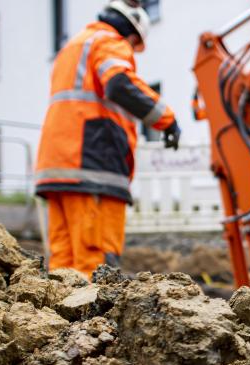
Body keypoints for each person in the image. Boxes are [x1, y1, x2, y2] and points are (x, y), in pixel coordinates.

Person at [35, 0, 180, 278]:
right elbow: (118, 83)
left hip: (57, 168)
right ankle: (93, 323)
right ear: (130, 28)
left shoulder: (72, 48)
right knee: (96, 264)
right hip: (93, 165)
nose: (132, 47)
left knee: (63, 267)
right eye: (134, 41)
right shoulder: (109, 41)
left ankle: (60, 322)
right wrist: (167, 119)